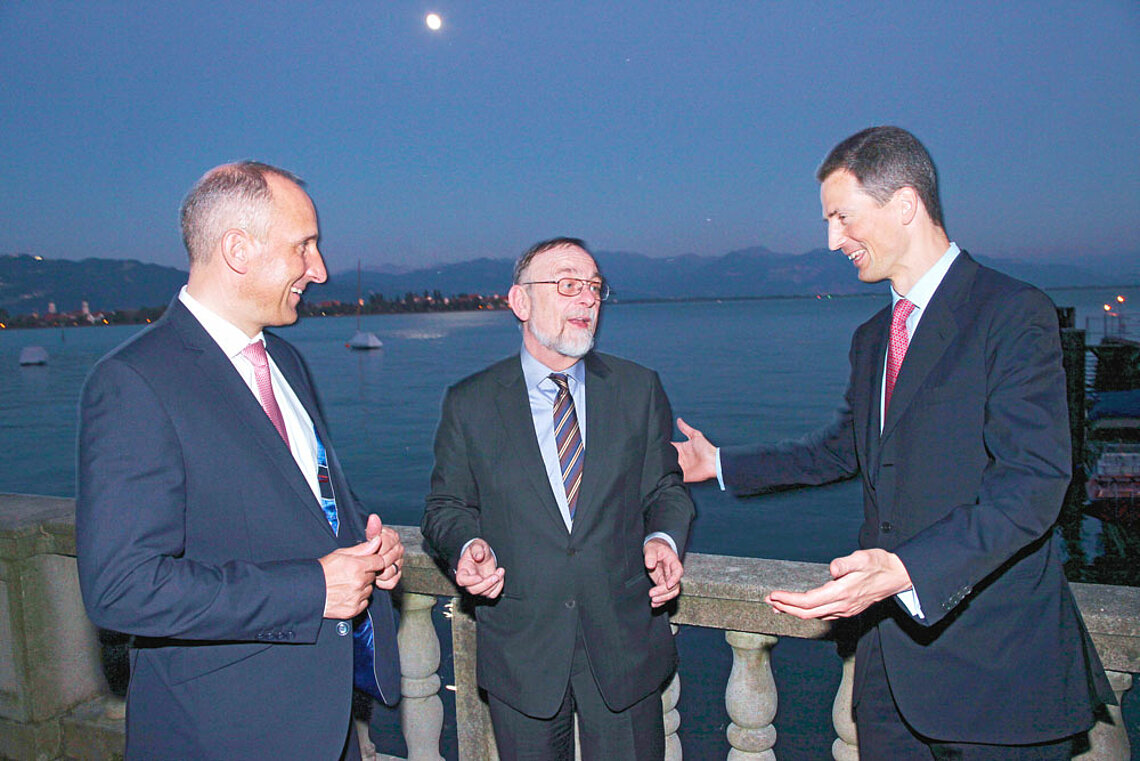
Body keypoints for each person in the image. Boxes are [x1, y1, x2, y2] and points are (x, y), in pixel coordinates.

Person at [673, 127, 1113, 759]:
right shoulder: (873, 337)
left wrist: (906, 570)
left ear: (904, 204)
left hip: (998, 676)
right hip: (888, 685)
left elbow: (1033, 484)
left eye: (841, 217)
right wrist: (719, 463)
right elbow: (840, 450)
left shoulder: (1012, 312)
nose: (832, 239)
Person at [77, 161, 403, 760]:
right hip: (224, 733)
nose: (320, 270)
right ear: (237, 249)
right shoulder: (133, 381)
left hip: (325, 724)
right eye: (304, 246)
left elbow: (306, 504)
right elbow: (121, 588)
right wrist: (312, 589)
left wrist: (368, 547)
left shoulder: (287, 362)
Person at [422, 237, 695, 761]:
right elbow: (445, 508)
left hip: (623, 646)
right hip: (522, 651)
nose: (588, 300)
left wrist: (663, 539)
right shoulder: (470, 402)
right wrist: (466, 545)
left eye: (594, 287)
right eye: (568, 285)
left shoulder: (638, 388)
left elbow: (665, 489)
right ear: (520, 302)